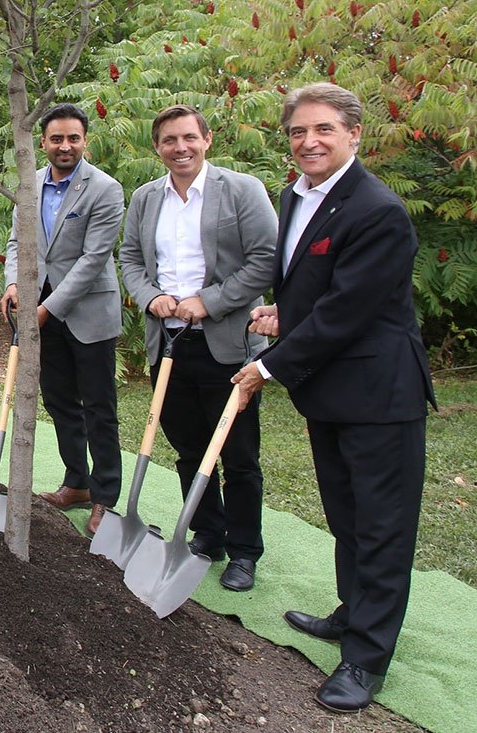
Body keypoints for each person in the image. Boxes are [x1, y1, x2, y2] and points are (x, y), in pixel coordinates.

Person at [232, 83, 435, 713]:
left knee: (381, 528)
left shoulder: (377, 210)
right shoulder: (296, 196)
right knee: (347, 517)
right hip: (331, 395)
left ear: (353, 133)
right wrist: (282, 311)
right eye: (297, 132)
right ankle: (353, 613)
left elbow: (350, 309)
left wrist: (269, 367)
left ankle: (366, 659)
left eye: (323, 129)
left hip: (379, 393)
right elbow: (318, 286)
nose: (308, 142)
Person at [118, 105, 276, 592]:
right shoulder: (146, 198)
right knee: (187, 447)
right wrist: (152, 297)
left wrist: (206, 302)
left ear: (207, 139)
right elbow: (129, 258)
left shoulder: (242, 190)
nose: (179, 147)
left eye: (189, 137)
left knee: (238, 454)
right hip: (167, 342)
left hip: (227, 343)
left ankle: (245, 551)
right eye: (169, 140)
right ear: (157, 147)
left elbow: (265, 260)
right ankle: (208, 534)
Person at [0, 103, 124, 535]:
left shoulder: (105, 189)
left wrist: (46, 309)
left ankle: (106, 497)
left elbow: (93, 261)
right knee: (58, 400)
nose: (65, 145)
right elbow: (18, 241)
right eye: (56, 138)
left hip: (86, 313)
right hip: (38, 312)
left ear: (84, 140)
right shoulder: (29, 185)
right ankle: (78, 482)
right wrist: (15, 284)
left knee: (99, 407)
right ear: (44, 143)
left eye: (73, 138)